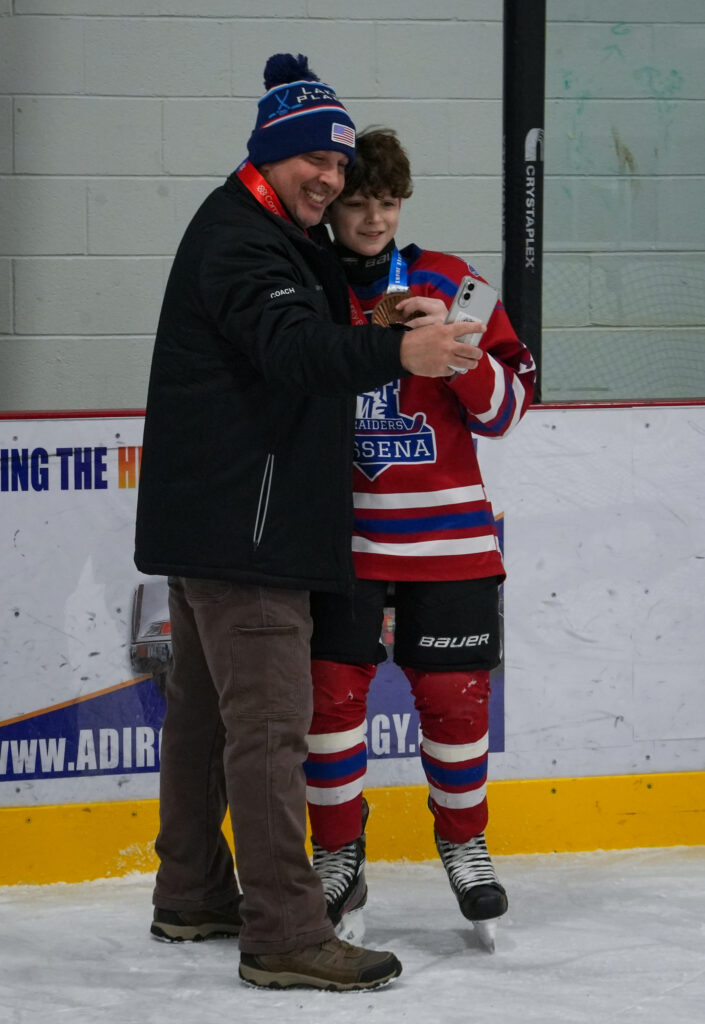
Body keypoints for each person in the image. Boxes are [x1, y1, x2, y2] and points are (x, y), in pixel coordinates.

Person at [134, 58, 485, 991]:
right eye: (313, 162)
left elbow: (312, 309)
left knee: (204, 724)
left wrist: (384, 305)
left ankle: (191, 892)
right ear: (271, 155)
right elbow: (292, 348)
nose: (330, 179)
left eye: (339, 165)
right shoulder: (243, 240)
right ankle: (286, 931)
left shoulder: (263, 232)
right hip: (248, 533)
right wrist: (397, 347)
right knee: (269, 733)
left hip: (216, 520)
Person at [303, 128, 536, 949]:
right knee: (328, 711)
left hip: (451, 543)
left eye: (387, 204)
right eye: (357, 203)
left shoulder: (450, 281)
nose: (372, 221)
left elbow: (506, 411)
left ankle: (463, 840)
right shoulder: (305, 279)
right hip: (337, 547)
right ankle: (336, 856)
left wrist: (450, 345)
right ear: (331, 202)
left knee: (453, 704)